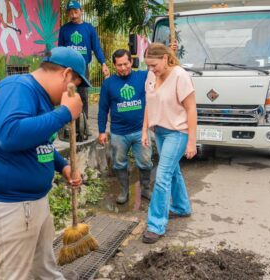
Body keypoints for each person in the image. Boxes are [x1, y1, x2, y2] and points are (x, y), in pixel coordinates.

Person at [0, 47, 89, 280]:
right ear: (66, 75)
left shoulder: (43, 98)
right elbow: (11, 134)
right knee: (11, 275)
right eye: (75, 84)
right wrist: (65, 113)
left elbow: (40, 142)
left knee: (44, 269)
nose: (74, 92)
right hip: (11, 206)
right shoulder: (17, 88)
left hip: (35, 201)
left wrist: (63, 166)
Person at [141, 43, 197, 244]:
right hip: (160, 131)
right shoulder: (151, 76)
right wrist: (144, 129)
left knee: (162, 176)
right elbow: (149, 103)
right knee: (173, 171)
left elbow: (191, 109)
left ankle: (156, 225)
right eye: (148, 66)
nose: (151, 69)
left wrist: (191, 141)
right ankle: (182, 207)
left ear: (165, 58)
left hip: (177, 133)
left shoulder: (180, 76)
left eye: (154, 65)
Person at [97, 49, 153, 204]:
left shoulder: (142, 76)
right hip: (118, 133)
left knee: (146, 161)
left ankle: (146, 188)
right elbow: (103, 109)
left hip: (140, 130)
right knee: (119, 163)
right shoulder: (108, 84)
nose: (123, 68)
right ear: (114, 65)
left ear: (131, 62)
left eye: (126, 64)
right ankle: (123, 191)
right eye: (119, 65)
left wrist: (171, 51)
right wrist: (102, 131)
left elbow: (164, 69)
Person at [58, 0, 110, 137]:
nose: (73, 15)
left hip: (82, 68)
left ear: (81, 11)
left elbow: (96, 48)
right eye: (70, 12)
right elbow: (60, 50)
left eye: (75, 12)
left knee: (83, 96)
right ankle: (69, 126)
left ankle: (83, 125)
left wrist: (103, 63)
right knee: (68, 96)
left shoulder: (89, 29)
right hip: (68, 69)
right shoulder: (64, 29)